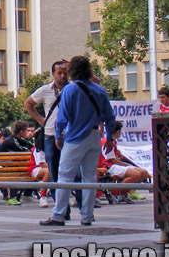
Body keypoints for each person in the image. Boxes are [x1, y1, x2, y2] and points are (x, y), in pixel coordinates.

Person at [40, 56, 116, 227]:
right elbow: (109, 117)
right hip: (94, 136)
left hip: (75, 136)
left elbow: (62, 117)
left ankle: (58, 215)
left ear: (71, 71)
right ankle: (87, 215)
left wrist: (58, 135)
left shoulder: (70, 89)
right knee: (89, 177)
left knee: (65, 176)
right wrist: (110, 137)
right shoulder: (99, 90)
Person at [24, 59, 69, 204]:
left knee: (71, 168)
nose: (63, 76)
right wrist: (40, 119)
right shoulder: (45, 90)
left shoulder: (73, 88)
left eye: (65, 73)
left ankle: (70, 198)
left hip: (70, 135)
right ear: (53, 74)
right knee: (54, 169)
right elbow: (28, 103)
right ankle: (58, 202)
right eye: (59, 73)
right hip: (50, 134)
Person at [101, 121, 150, 203]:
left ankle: (124, 193)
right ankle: (116, 193)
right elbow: (111, 160)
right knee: (135, 174)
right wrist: (126, 165)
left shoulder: (113, 141)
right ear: (118, 132)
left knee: (144, 172)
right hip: (109, 166)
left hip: (114, 165)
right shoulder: (107, 142)